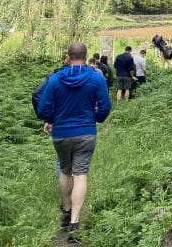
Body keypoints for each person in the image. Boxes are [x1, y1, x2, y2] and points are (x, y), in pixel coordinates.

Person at [38, 42, 111, 234]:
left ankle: (66, 209)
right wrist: (95, 118)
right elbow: (105, 106)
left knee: (65, 171)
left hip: (61, 132)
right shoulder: (96, 78)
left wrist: (51, 119)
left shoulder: (55, 79)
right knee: (80, 175)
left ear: (68, 57)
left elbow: (43, 107)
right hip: (86, 132)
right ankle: (75, 221)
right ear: (86, 56)